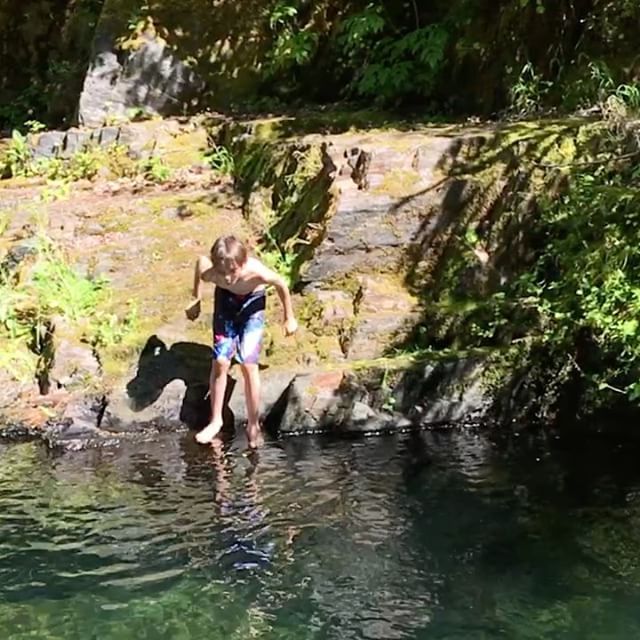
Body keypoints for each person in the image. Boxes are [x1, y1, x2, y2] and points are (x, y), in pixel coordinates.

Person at [185, 235, 298, 448]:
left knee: (248, 362)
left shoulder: (255, 272)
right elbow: (200, 264)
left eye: (232, 271)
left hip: (252, 303)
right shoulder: (214, 274)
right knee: (220, 360)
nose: (227, 277)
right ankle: (215, 420)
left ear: (242, 264)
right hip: (226, 303)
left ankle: (254, 424)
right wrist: (196, 299)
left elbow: (281, 283)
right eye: (222, 272)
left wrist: (289, 317)